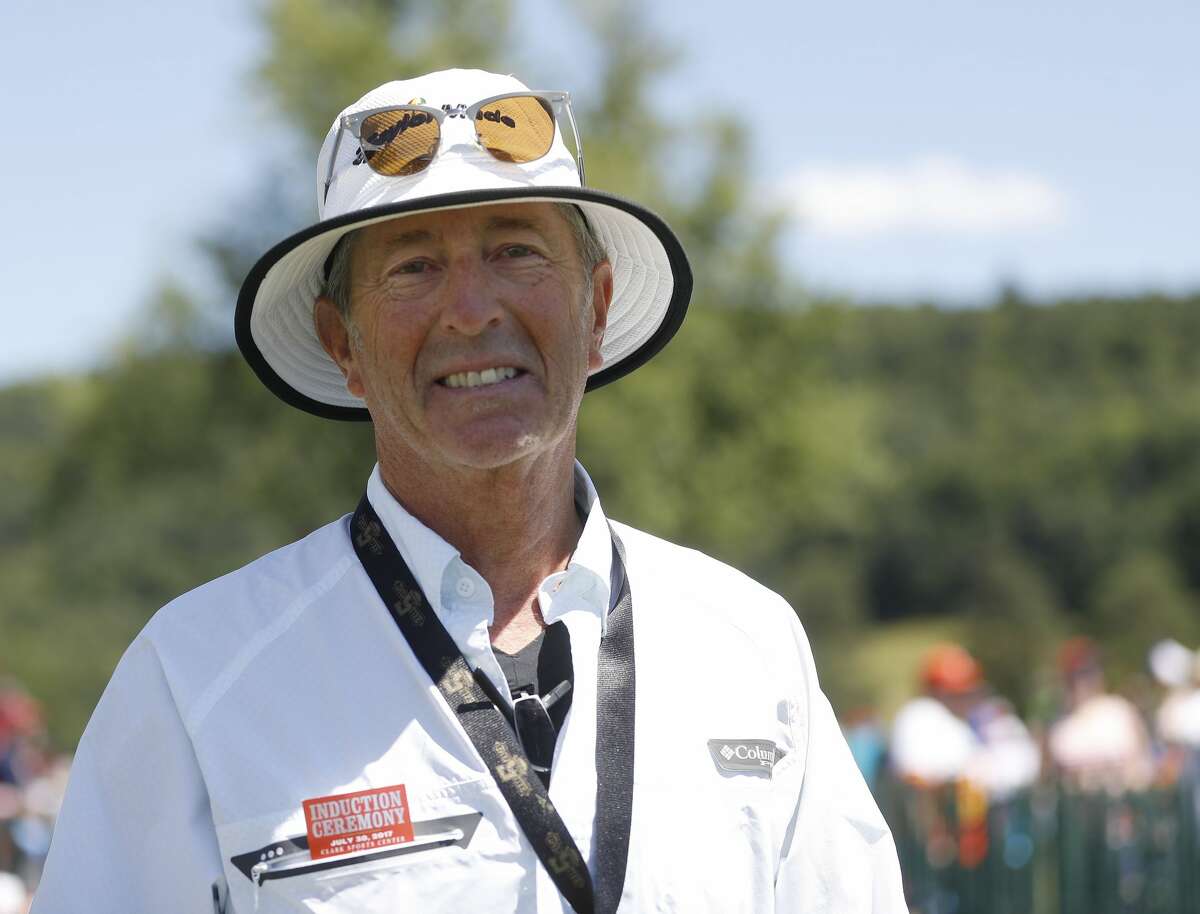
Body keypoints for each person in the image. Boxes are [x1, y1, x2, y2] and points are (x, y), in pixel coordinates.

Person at [31, 68, 905, 913]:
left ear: (596, 309)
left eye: (516, 251)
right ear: (342, 343)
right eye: (413, 267)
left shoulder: (749, 645)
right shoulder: (193, 678)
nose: (471, 309)